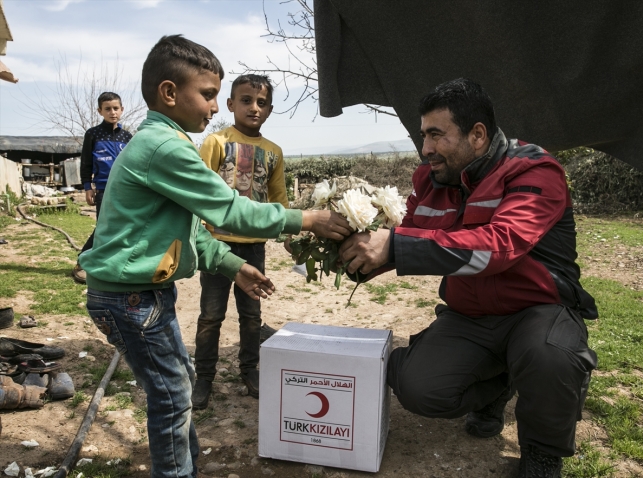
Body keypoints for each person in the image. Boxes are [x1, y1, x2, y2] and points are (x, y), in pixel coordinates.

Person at [78, 35, 351, 478]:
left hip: (141, 296)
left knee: (177, 385)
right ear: (169, 93)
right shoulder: (166, 147)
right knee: (171, 395)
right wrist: (308, 219)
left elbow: (192, 232)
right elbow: (228, 210)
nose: (213, 106)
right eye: (207, 94)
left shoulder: (165, 143)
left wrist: (234, 265)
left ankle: (189, 463)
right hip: (132, 299)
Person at [339, 78, 598, 478]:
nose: (425, 148)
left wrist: (396, 247)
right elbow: (406, 234)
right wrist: (346, 253)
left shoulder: (535, 169)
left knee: (551, 358)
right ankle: (497, 388)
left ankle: (543, 454)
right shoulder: (431, 179)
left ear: (477, 135)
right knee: (419, 389)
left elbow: (500, 244)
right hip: (469, 315)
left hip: (536, 310)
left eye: (436, 135)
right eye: (423, 135)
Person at [192, 74, 287, 407]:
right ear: (231, 104)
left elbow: (278, 198)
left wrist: (288, 234)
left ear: (270, 109)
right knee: (210, 315)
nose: (254, 107)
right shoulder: (216, 143)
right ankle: (203, 377)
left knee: (252, 315)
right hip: (218, 248)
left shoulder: (273, 152)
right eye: (246, 100)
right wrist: (202, 232)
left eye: (261, 102)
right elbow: (199, 192)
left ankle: (250, 369)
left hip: (254, 246)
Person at [72, 92, 132, 284]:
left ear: (122, 110)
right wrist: (88, 187)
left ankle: (111, 265)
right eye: (108, 109)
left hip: (124, 189)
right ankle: (82, 262)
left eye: (116, 108)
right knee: (104, 228)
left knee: (123, 227)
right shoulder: (93, 134)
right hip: (103, 189)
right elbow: (86, 164)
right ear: (100, 111)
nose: (112, 112)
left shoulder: (127, 136)